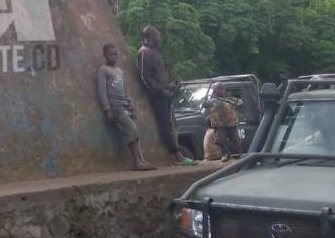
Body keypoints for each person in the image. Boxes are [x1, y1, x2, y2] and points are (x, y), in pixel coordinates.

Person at [137, 26, 196, 165]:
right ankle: (177, 156)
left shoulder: (154, 52)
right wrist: (159, 90)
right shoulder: (144, 52)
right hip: (157, 95)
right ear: (151, 36)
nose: (160, 39)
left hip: (164, 93)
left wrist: (170, 86)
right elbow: (145, 77)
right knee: (165, 125)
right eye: (158, 36)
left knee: (170, 125)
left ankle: (178, 155)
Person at [97, 43, 156, 171]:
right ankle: (136, 162)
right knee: (131, 131)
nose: (114, 57)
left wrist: (130, 100)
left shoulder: (120, 71)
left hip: (126, 104)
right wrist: (107, 110)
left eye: (115, 54)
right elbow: (102, 91)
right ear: (105, 55)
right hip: (116, 106)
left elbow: (124, 88)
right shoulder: (103, 70)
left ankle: (142, 160)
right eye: (111, 54)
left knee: (136, 133)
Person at [204, 82, 242, 162]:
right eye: (219, 89)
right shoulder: (213, 100)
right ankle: (225, 155)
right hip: (220, 124)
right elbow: (206, 106)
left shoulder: (230, 99)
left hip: (232, 123)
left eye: (222, 89)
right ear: (215, 91)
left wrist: (239, 103)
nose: (221, 91)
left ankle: (239, 155)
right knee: (220, 141)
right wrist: (205, 102)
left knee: (236, 140)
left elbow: (240, 101)